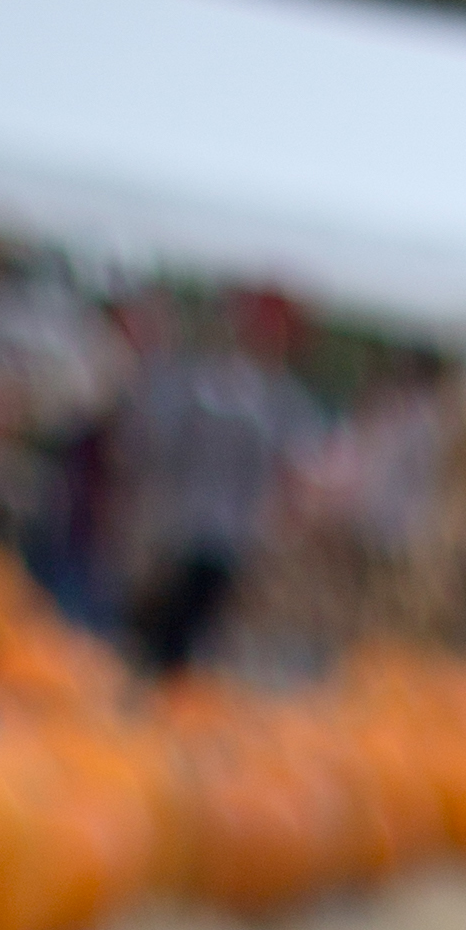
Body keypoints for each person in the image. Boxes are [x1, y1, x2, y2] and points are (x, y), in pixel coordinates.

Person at [112, 290, 308, 678]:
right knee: (162, 627)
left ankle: (164, 696)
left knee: (184, 633)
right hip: (188, 527)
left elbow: (285, 475)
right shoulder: (207, 383)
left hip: (221, 535)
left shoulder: (273, 398)